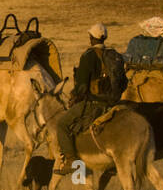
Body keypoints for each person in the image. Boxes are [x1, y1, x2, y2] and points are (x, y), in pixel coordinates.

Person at [52, 23, 127, 174]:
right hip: (112, 103)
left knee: (62, 125)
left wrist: (75, 96)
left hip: (93, 103)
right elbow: (124, 82)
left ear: (91, 38)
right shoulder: (113, 55)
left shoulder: (88, 56)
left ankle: (72, 162)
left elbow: (81, 86)